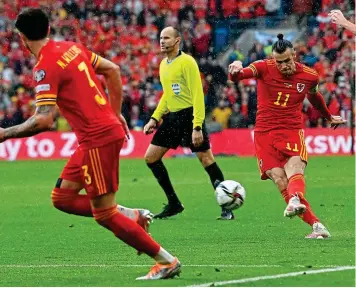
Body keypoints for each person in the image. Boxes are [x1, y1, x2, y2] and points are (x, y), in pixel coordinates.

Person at [0, 8, 181, 280]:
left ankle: (165, 261)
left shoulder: (44, 66)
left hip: (97, 138)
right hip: (95, 136)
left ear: (22, 38)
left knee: (104, 213)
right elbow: (113, 69)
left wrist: (5, 133)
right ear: (49, 29)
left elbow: (44, 120)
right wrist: (115, 111)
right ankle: (133, 215)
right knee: (63, 198)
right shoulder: (72, 48)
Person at [228, 34, 346, 238]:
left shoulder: (309, 75)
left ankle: (295, 200)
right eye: (279, 62)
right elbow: (238, 76)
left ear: (294, 55)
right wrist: (236, 67)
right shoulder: (263, 67)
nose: (283, 66)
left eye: (287, 61)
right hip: (264, 133)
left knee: (295, 168)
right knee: (279, 179)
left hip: (291, 129)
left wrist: (327, 116)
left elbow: (314, 96)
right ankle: (316, 226)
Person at [143, 26, 233, 220]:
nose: (162, 41)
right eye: (160, 38)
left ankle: (227, 206)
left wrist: (197, 126)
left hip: (189, 116)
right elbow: (167, 95)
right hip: (173, 118)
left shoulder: (187, 62)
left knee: (206, 159)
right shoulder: (163, 64)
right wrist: (155, 118)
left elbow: (198, 94)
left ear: (177, 41)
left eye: (166, 38)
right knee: (151, 158)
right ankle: (174, 203)